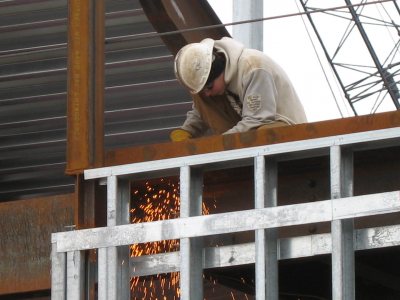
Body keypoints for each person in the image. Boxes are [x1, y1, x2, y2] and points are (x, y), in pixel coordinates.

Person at [170, 37, 307, 142]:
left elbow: (257, 120)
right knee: (200, 95)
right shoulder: (217, 83)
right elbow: (202, 111)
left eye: (209, 87)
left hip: (281, 127)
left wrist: (219, 144)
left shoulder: (253, 67)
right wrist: (187, 131)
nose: (208, 93)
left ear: (219, 70)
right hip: (250, 124)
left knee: (263, 134)